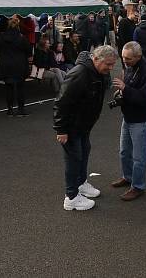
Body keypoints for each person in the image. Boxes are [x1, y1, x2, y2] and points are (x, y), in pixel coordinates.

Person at [53, 45, 117, 211]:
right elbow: (61, 103)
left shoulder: (97, 72)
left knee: (84, 152)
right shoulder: (79, 74)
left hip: (83, 125)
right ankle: (71, 197)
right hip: (72, 126)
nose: (110, 68)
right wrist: (61, 130)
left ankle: (81, 184)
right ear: (95, 59)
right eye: (108, 64)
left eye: (112, 65)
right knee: (74, 158)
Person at [110, 41, 146, 201]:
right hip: (128, 116)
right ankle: (128, 177)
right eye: (123, 57)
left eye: (128, 58)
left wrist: (125, 89)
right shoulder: (130, 67)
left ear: (138, 56)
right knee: (124, 152)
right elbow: (129, 89)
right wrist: (121, 94)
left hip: (141, 119)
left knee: (139, 156)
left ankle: (138, 186)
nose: (124, 61)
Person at [0, 17, 32, 117]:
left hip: (6, 64)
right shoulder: (22, 38)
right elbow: (29, 52)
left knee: (9, 87)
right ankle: (21, 110)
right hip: (19, 64)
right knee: (20, 87)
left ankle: (10, 110)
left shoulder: (2, 37)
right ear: (18, 26)